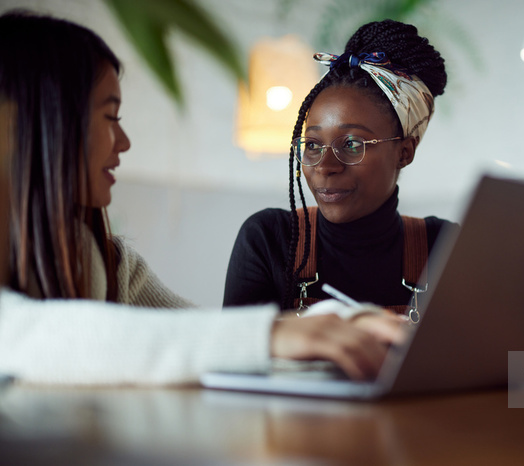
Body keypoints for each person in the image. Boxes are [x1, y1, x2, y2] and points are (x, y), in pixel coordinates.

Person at [0, 10, 405, 385]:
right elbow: (27, 336)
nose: (124, 142)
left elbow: (200, 338)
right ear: (29, 123)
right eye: (110, 117)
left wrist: (341, 329)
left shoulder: (106, 264)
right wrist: (271, 334)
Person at [223, 20, 456, 316]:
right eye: (312, 145)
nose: (325, 166)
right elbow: (238, 356)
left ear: (404, 151)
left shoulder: (444, 249)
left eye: (352, 144)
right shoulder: (270, 240)